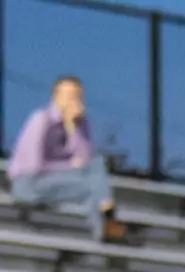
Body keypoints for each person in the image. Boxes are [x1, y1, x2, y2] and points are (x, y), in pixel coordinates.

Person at [7, 76, 125, 242]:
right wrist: (68, 165)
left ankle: (105, 227)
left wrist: (72, 127)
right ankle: (108, 222)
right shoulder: (41, 120)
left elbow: (84, 159)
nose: (73, 100)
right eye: (68, 95)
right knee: (93, 180)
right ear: (55, 97)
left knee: (96, 168)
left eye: (77, 96)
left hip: (55, 181)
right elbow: (33, 166)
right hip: (28, 183)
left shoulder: (80, 124)